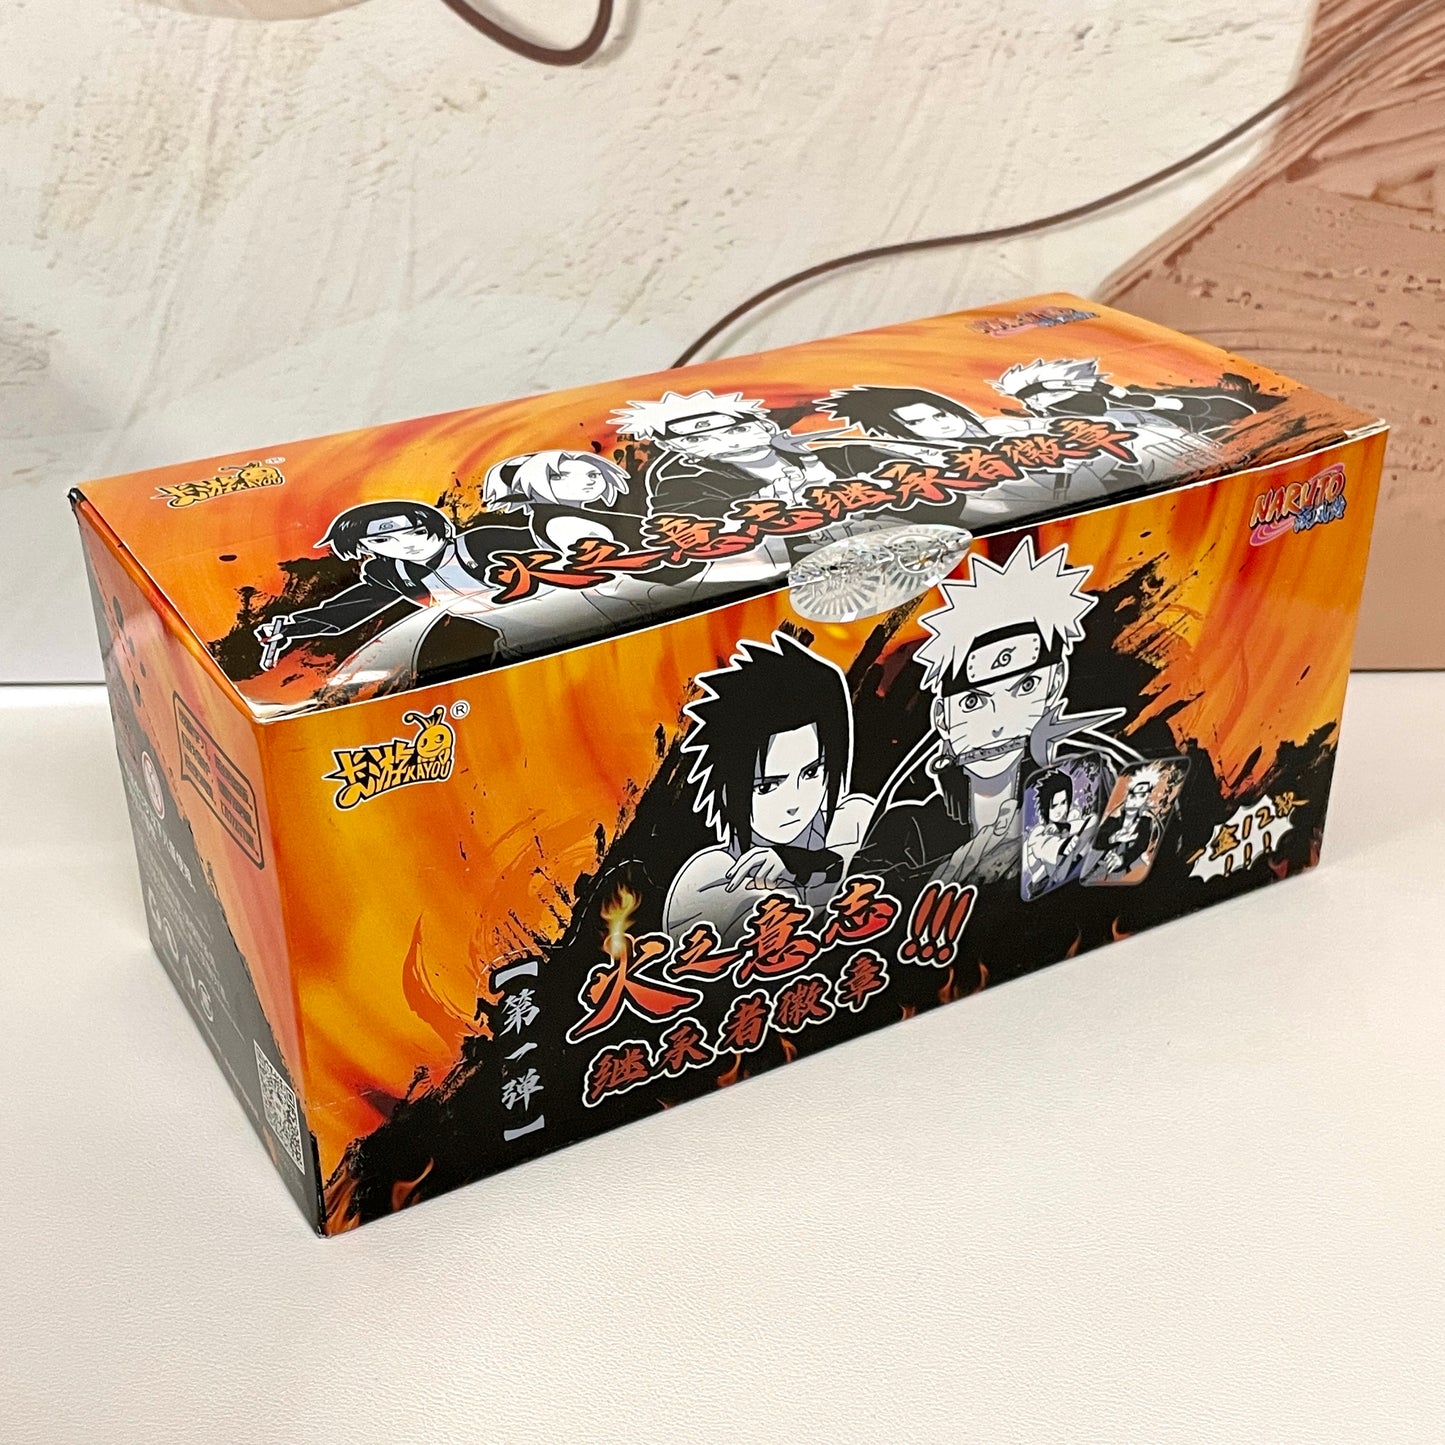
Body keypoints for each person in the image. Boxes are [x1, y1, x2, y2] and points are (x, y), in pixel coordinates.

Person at [851, 536, 1133, 898]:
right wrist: (951, 875)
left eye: (1026, 687)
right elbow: (856, 904)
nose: (998, 723)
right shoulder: (906, 830)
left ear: (1054, 684)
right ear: (942, 716)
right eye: (973, 702)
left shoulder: (1092, 785)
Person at [253, 499, 628, 688]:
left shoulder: (481, 542)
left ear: (436, 526)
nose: (406, 544)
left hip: (590, 615)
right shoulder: (392, 572)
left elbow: (555, 542)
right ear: (367, 548)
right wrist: (292, 627)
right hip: (515, 643)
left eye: (415, 532)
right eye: (384, 541)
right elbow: (348, 610)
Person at [663, 633, 875, 945]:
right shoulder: (709, 879)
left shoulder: (854, 822)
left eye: (812, 772)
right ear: (729, 791)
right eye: (767, 786)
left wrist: (800, 863)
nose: (794, 802)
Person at [481, 450, 648, 554]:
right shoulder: (560, 523)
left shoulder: (573, 516)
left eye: (593, 475)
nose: (589, 481)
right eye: (558, 476)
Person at [1021, 769, 1093, 898]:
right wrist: (1063, 846)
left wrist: (1064, 827)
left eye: (1064, 803)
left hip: (1070, 879)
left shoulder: (1069, 821)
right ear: (1045, 809)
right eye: (1054, 806)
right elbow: (1045, 849)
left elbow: (1091, 823)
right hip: (1043, 888)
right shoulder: (1038, 832)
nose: (1061, 810)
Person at [1085, 769, 1164, 881]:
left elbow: (1140, 846)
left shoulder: (1146, 822)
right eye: (1132, 795)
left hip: (1123, 871)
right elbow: (1097, 840)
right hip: (1099, 866)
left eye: (1142, 795)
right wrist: (1114, 838)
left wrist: (1122, 859)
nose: (1135, 800)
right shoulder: (1113, 819)